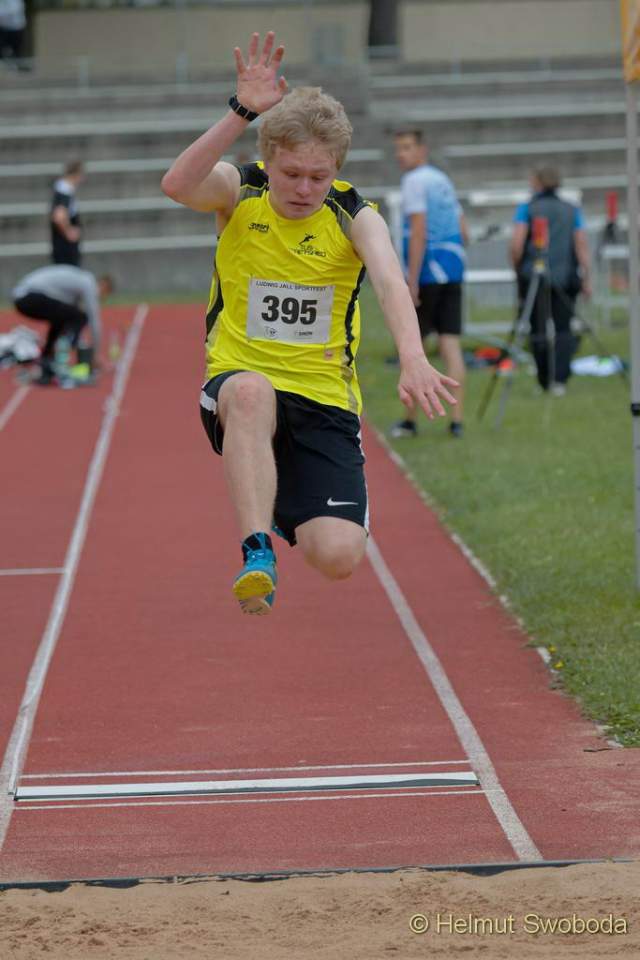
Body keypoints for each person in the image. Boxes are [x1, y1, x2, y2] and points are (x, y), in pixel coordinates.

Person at [161, 31, 458, 617]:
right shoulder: (239, 190)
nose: (303, 189)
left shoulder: (354, 215)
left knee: (338, 557)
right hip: (241, 379)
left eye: (318, 177)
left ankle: (270, 489)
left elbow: (390, 281)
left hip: (323, 395)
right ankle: (257, 550)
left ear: (336, 170)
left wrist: (413, 356)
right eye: (291, 173)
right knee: (252, 392)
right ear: (268, 160)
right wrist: (241, 111)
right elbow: (177, 184)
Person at [389, 129, 468, 439]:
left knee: (413, 348)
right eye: (398, 148)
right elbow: (463, 228)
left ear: (422, 149)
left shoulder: (414, 181)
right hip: (453, 269)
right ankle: (457, 421)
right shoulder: (442, 179)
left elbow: (419, 230)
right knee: (451, 345)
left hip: (428, 273)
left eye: (407, 147)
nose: (401, 154)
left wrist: (411, 279)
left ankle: (410, 421)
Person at [509, 165, 592, 396]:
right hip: (566, 277)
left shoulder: (527, 208)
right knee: (564, 329)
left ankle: (544, 379)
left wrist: (518, 271)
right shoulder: (571, 209)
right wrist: (587, 277)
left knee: (538, 329)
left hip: (534, 277)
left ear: (536, 182)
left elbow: (516, 244)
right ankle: (560, 380)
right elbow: (581, 244)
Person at [12, 264, 112, 385]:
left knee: (61, 319)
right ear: (103, 286)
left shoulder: (77, 282)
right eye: (103, 295)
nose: (100, 299)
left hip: (23, 295)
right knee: (80, 317)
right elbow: (94, 320)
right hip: (28, 295)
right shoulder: (88, 283)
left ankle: (47, 359)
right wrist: (95, 354)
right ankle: (66, 359)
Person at [50, 160, 85, 266]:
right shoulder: (64, 191)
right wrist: (69, 232)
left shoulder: (62, 190)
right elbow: (59, 216)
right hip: (65, 249)